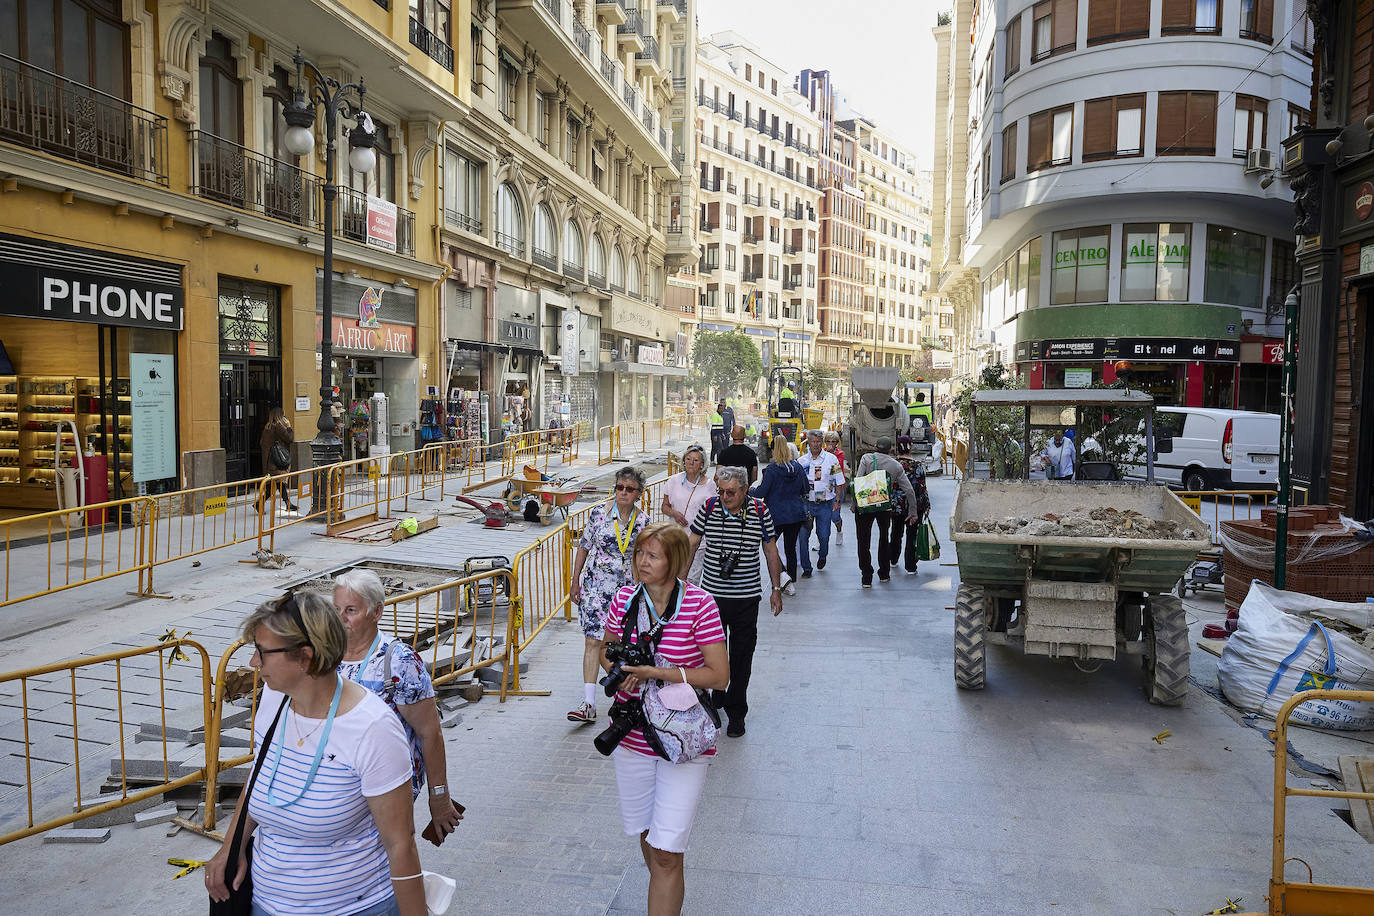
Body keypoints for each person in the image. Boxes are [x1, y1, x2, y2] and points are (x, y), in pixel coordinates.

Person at [205, 593, 425, 916]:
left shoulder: (373, 729)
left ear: (305, 658)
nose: (254, 663)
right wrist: (231, 845)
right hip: (265, 905)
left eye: (262, 653)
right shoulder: (274, 699)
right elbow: (260, 778)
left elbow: (400, 845)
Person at [601, 522, 729, 916]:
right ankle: (667, 895)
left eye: (652, 555)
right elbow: (607, 650)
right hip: (633, 741)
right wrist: (619, 671)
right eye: (640, 553)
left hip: (683, 742)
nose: (642, 561)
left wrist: (656, 673)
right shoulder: (624, 599)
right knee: (649, 837)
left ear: (674, 562)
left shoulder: (700, 604)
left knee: (668, 851)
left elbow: (719, 675)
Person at [332, 569, 465, 843]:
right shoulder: (326, 654)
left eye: (351, 610)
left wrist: (439, 799)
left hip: (386, 787)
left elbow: (430, 733)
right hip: (334, 781)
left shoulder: (400, 662)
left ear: (377, 612)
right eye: (336, 609)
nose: (340, 618)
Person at [684, 465, 784, 737]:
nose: (725, 497)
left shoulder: (760, 511)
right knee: (711, 655)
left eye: (730, 492)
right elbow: (692, 543)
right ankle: (715, 698)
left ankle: (737, 712)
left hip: (746, 598)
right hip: (712, 598)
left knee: (741, 657)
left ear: (744, 489)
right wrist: (679, 583)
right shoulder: (709, 507)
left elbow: (770, 550)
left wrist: (776, 588)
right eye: (721, 491)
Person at [569, 467, 649, 723]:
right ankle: (589, 703)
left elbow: (645, 558)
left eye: (629, 489)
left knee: (620, 647)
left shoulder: (644, 521)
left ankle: (626, 696)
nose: (623, 493)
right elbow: (584, 547)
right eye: (619, 487)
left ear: (638, 494)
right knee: (592, 642)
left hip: (627, 592)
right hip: (596, 589)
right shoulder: (598, 514)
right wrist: (575, 581)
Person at [853, 436, 920, 588]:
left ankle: (866, 577)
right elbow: (909, 490)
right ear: (891, 449)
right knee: (884, 539)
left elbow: (858, 481)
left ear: (875, 446)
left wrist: (854, 504)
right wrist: (913, 511)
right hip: (884, 506)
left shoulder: (866, 458)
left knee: (863, 541)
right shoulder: (896, 466)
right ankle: (884, 573)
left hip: (865, 505)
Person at [749, 434, 809, 595]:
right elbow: (806, 489)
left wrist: (749, 490)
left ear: (774, 449)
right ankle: (791, 581)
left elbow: (761, 492)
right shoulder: (797, 467)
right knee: (791, 548)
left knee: (769, 546)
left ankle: (783, 576)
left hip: (775, 515)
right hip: (796, 514)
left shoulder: (772, 470)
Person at [661, 445, 717, 583]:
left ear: (702, 464)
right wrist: (674, 513)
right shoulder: (673, 481)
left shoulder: (710, 485)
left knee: (690, 580)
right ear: (684, 461)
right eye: (688, 459)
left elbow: (713, 512)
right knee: (670, 577)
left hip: (698, 542)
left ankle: (687, 604)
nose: (691, 462)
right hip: (675, 539)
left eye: (696, 460)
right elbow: (664, 506)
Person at [797, 430, 844, 579]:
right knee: (803, 536)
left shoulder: (831, 460)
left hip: (825, 504)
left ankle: (823, 555)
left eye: (818, 442)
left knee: (824, 535)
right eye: (813, 442)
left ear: (821, 442)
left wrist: (837, 501)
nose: (816, 444)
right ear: (808, 443)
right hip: (807, 504)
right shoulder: (802, 461)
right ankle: (806, 567)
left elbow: (840, 481)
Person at [886, 454, 932, 576]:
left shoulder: (892, 464)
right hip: (915, 505)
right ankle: (910, 566)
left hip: (897, 505)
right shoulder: (917, 465)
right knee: (912, 535)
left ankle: (893, 559)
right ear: (910, 447)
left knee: (896, 532)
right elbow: (922, 486)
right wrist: (927, 504)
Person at [257, 406, 297, 514]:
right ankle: (258, 504)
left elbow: (262, 443)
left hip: (269, 461)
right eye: (283, 415)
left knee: (278, 483)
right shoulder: (278, 427)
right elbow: (290, 439)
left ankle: (287, 503)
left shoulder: (267, 427)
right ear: (280, 416)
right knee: (278, 483)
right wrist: (289, 427)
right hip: (277, 461)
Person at [823, 431, 848, 547]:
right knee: (822, 516)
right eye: (828, 441)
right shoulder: (821, 453)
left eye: (833, 441)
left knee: (835, 515)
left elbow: (835, 469)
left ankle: (839, 531)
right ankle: (821, 540)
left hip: (837, 488)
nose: (831, 443)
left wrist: (828, 454)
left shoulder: (840, 454)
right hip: (824, 488)